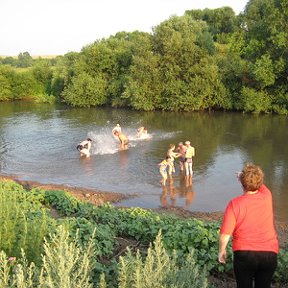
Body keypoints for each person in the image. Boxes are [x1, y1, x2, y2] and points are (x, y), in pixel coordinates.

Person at [218, 163, 278, 288]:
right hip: (269, 253)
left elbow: (225, 234)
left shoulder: (234, 204)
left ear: (242, 183)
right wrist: (244, 176)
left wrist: (222, 250)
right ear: (260, 181)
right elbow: (259, 184)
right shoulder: (267, 196)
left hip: (244, 254)